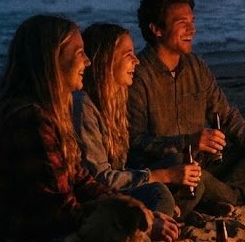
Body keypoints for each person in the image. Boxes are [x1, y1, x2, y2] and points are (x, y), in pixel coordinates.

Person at [0, 15, 180, 242]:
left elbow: (83, 181)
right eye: (79, 53)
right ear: (52, 60)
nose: (87, 62)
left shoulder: (50, 111)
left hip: (39, 236)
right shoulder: (29, 118)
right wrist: (132, 223)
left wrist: (140, 214)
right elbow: (61, 215)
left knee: (146, 216)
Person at [128, 0, 245, 212]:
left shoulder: (196, 67)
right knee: (195, 179)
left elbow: (227, 116)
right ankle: (241, 196)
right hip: (172, 170)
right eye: (182, 22)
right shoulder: (139, 75)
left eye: (192, 21)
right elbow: (135, 142)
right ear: (156, 29)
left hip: (207, 164)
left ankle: (215, 197)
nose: (192, 28)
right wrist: (187, 141)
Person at [75, 23, 202, 216]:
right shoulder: (84, 106)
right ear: (106, 61)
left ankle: (172, 214)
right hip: (97, 198)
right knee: (159, 193)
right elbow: (100, 179)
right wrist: (164, 176)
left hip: (117, 186)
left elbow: (123, 167)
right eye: (128, 55)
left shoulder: (116, 101)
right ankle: (161, 223)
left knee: (185, 170)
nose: (136, 61)